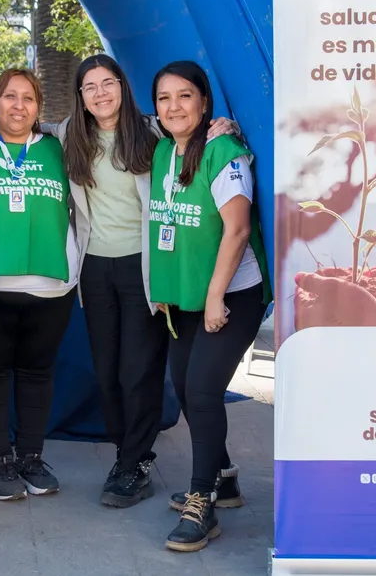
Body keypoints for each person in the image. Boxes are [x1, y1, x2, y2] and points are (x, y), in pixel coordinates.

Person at [0, 55, 234, 508]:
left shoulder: (151, 132)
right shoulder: (71, 133)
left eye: (107, 83)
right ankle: (123, 455)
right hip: (95, 266)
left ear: (122, 86)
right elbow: (27, 121)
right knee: (107, 372)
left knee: (138, 370)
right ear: (80, 96)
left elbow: (191, 133)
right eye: (89, 87)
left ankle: (136, 462)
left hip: (143, 265)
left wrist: (221, 127)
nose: (100, 93)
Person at [147, 61, 271, 552]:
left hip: (232, 293)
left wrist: (217, 295)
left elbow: (237, 230)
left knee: (200, 391)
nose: (174, 107)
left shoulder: (225, 150)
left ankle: (204, 503)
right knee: (183, 385)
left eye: (184, 96)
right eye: (163, 98)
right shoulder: (162, 151)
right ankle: (225, 478)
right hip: (186, 292)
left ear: (204, 103)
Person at [0, 68, 78, 501]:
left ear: (39, 108)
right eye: (9, 97)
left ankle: (30, 456)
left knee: (37, 373)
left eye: (28, 98)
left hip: (51, 287)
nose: (18, 106)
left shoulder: (58, 146)